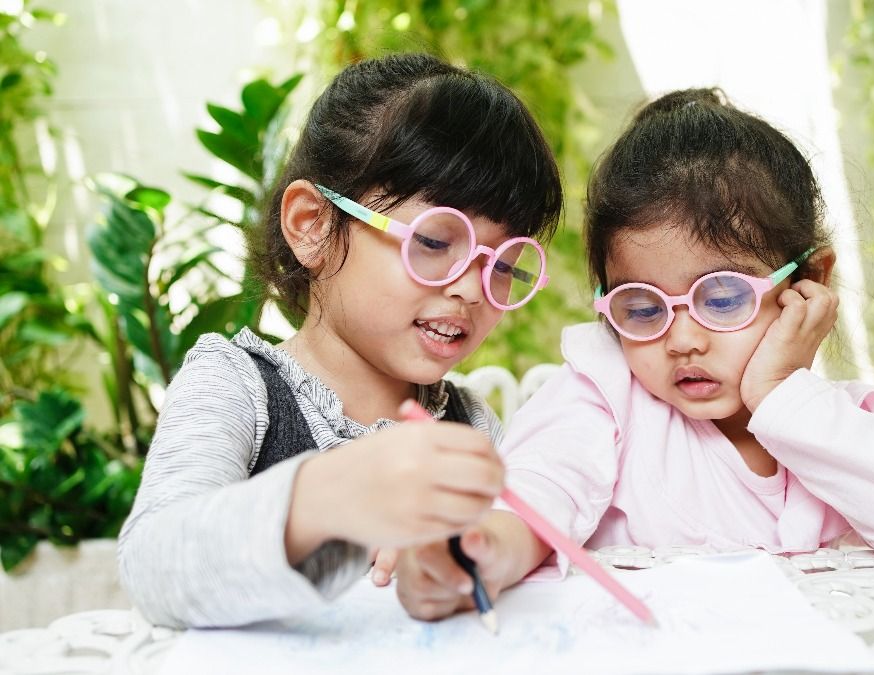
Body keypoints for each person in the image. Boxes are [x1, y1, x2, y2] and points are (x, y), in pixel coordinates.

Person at [385, 88, 874, 621]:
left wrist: (782, 391)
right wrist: (480, 546)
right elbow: (541, 487)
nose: (683, 339)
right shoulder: (605, 397)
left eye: (724, 297)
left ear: (808, 282)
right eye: (644, 308)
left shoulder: (829, 421)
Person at [116, 52, 562, 628]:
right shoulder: (235, 384)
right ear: (313, 225)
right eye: (432, 241)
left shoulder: (469, 423)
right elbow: (155, 565)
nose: (474, 290)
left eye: (503, 264)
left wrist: (468, 561)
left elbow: (506, 563)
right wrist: (325, 497)